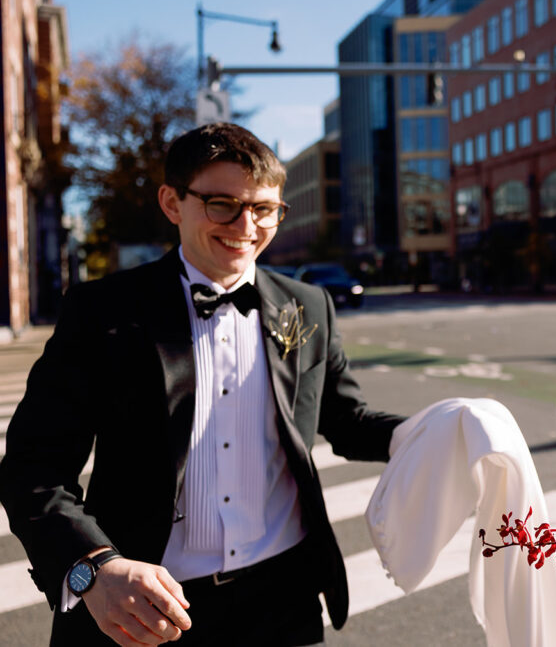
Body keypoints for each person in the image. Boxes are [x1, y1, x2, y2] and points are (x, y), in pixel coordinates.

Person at [0, 123, 405, 646]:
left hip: (286, 602)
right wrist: (94, 568)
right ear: (173, 202)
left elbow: (348, 422)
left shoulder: (309, 306)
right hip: (147, 607)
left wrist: (445, 428)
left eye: (264, 209)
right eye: (222, 205)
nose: (247, 225)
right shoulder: (104, 312)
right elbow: (32, 467)